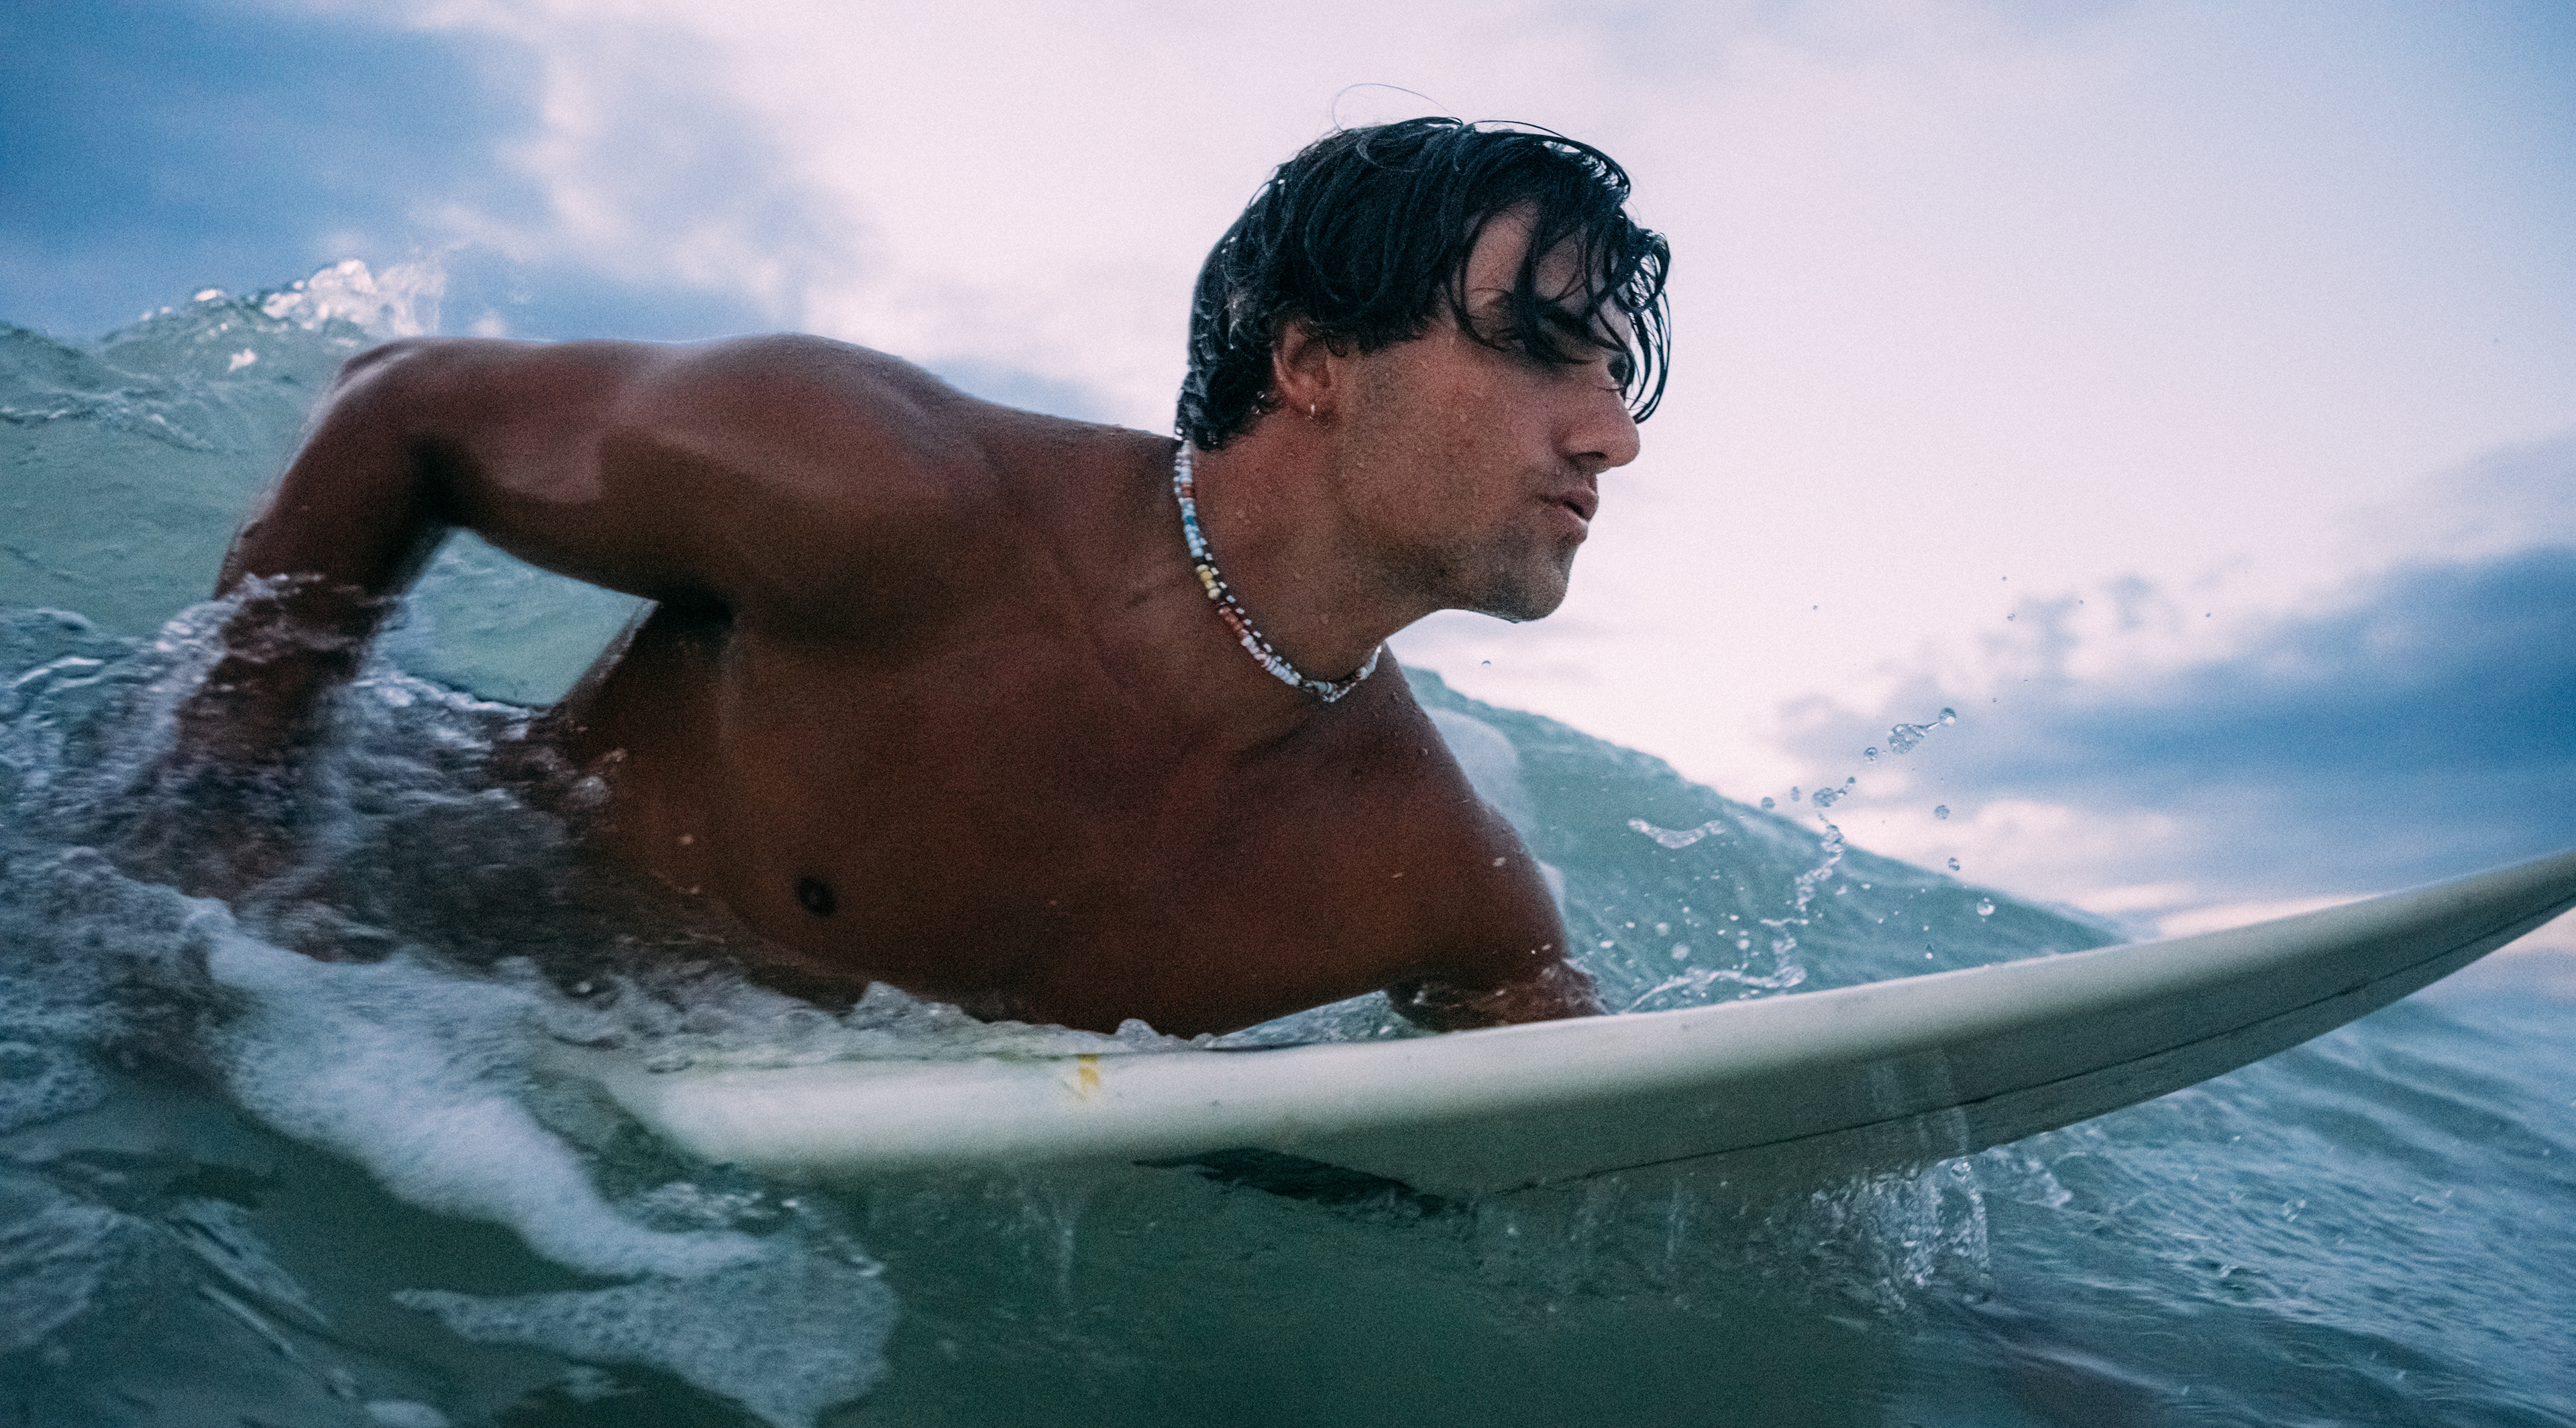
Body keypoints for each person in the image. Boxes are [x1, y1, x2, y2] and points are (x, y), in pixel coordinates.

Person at [164, 118, 1672, 1038]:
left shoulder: (1422, 873)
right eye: (1542, 351)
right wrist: (225, 809)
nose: (1609, 434)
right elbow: (402, 407)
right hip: (407, 952)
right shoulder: (878, 490)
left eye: (1616, 376)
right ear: (1314, 361)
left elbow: (1581, 1122)